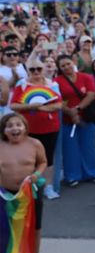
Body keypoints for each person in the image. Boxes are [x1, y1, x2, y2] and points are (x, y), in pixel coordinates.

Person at [0, 113, 45, 253]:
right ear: (4, 130)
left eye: (19, 125)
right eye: (10, 125)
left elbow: (43, 162)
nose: (15, 128)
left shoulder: (35, 144)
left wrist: (36, 175)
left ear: (25, 127)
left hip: (30, 193)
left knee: (33, 229)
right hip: (5, 193)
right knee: (6, 231)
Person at [10, 56, 62, 200]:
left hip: (50, 127)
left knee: (48, 158)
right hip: (28, 129)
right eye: (32, 69)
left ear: (44, 69)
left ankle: (48, 187)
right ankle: (30, 187)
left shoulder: (52, 84)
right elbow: (13, 105)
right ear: (28, 71)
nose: (36, 71)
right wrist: (29, 106)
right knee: (29, 158)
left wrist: (42, 108)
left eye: (39, 68)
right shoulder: (22, 84)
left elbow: (59, 105)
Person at [54, 54, 95, 187]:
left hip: (87, 116)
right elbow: (58, 100)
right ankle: (72, 176)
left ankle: (92, 173)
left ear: (73, 62)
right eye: (63, 66)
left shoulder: (86, 77)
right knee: (70, 148)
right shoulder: (57, 81)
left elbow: (91, 94)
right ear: (59, 68)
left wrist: (78, 109)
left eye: (68, 63)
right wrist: (71, 112)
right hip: (68, 119)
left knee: (89, 146)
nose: (66, 67)